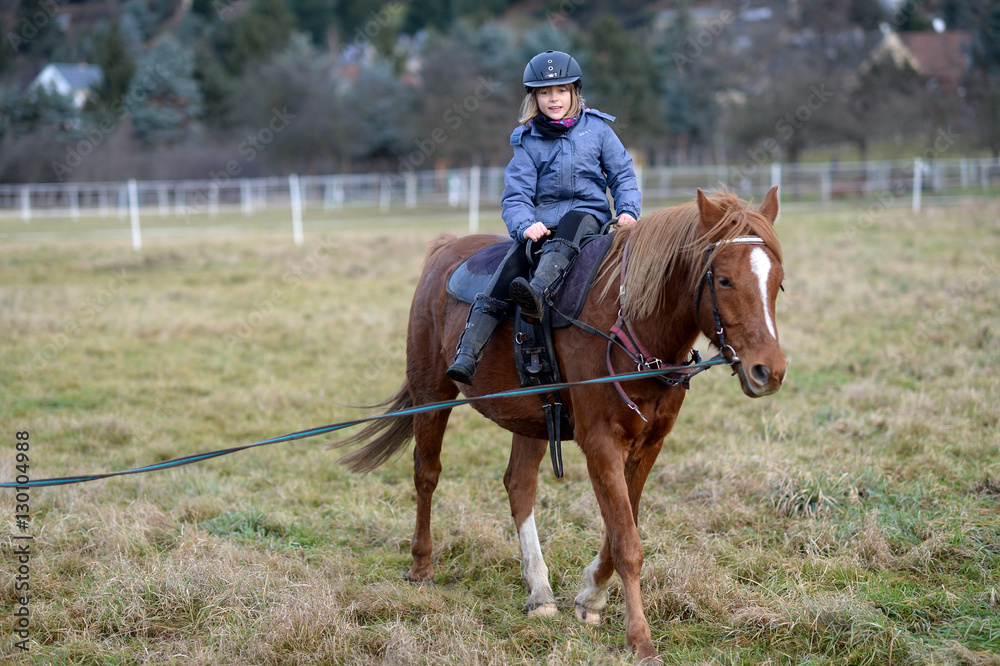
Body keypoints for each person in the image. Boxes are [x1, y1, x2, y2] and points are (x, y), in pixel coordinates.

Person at [445, 50, 641, 385]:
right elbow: (516, 194)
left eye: (562, 90)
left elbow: (622, 175)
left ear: (574, 92)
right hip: (542, 227)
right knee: (505, 274)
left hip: (589, 221)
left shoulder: (598, 130)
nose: (554, 99)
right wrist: (524, 225)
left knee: (576, 219)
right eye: (545, 92)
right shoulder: (527, 140)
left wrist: (627, 211)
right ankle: (467, 355)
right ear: (534, 97)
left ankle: (537, 290)